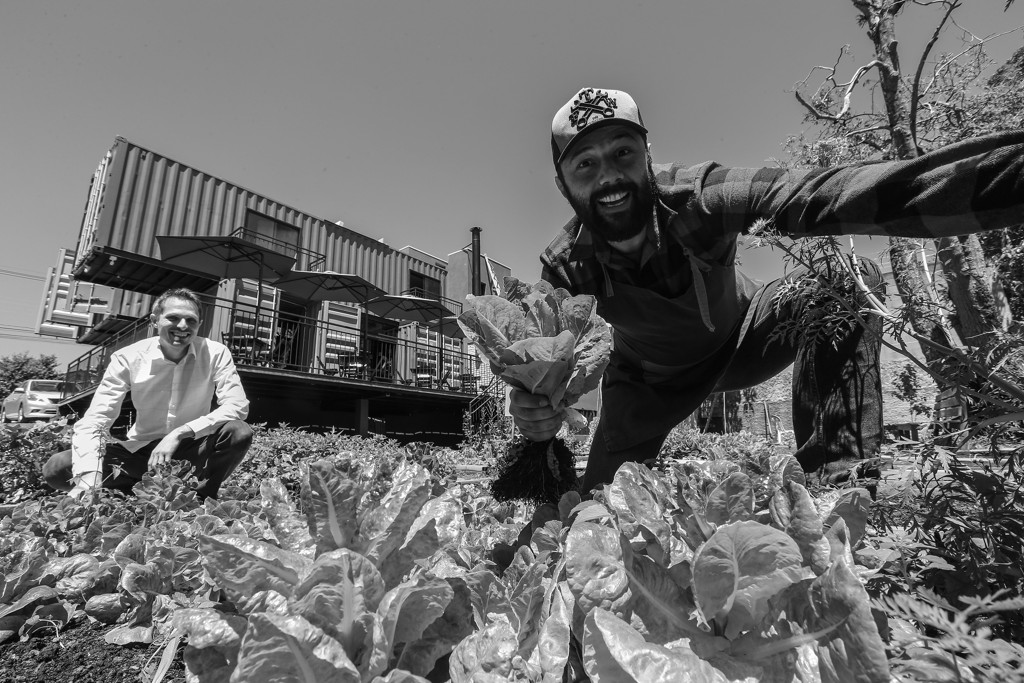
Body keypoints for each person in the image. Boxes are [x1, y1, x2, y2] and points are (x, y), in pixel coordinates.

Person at [510, 86, 1024, 496]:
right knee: (597, 509)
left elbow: (829, 193)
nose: (610, 177)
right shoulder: (564, 264)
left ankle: (834, 486)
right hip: (648, 385)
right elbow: (542, 360)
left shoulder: (703, 197)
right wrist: (533, 407)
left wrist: (1006, 178)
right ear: (563, 184)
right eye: (586, 164)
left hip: (748, 338)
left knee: (845, 280)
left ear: (648, 156)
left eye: (623, 152)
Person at [43, 288, 252, 502]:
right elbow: (97, 419)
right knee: (58, 467)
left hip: (191, 450)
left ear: (199, 324)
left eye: (191, 320)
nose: (182, 326)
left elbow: (237, 405)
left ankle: (199, 497)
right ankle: (135, 490)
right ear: (154, 321)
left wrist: (179, 433)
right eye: (173, 317)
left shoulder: (215, 352)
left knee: (238, 431)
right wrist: (89, 477)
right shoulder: (128, 357)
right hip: (140, 452)